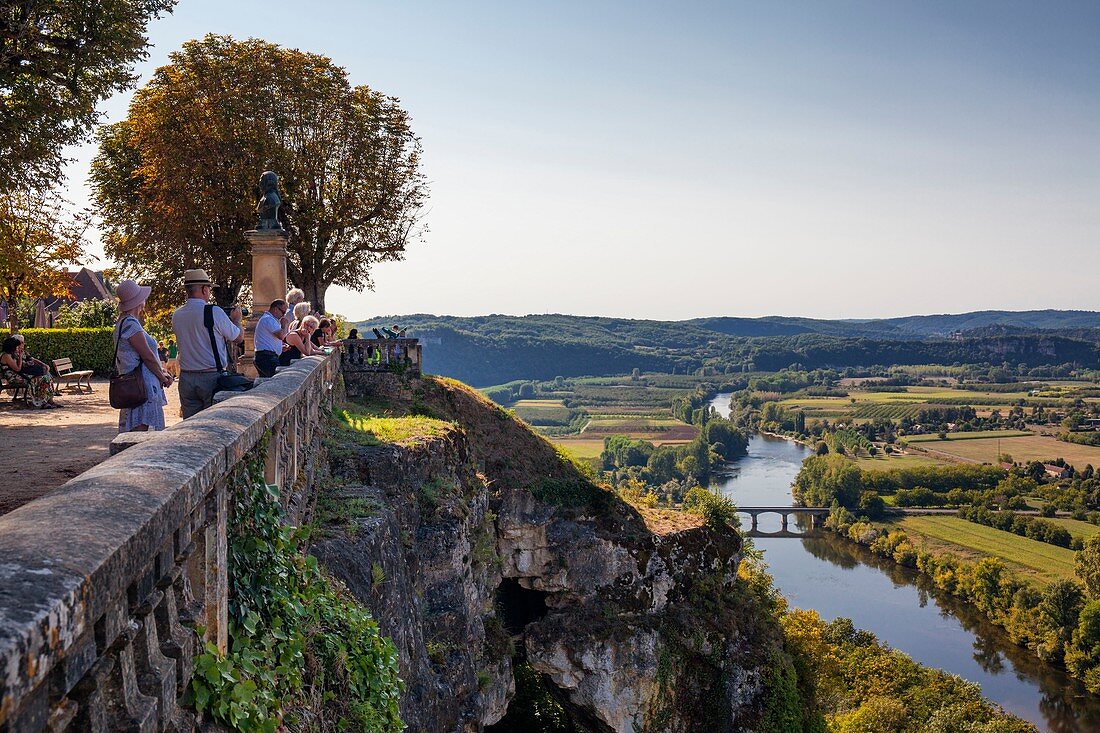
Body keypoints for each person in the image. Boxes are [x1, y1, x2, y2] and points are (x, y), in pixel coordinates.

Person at [171, 269, 243, 418]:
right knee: (211, 422)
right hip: (211, 376)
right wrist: (236, 320)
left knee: (189, 424)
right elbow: (238, 337)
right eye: (209, 288)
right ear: (204, 289)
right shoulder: (213, 311)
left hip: (186, 377)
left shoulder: (177, 314)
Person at [114, 279, 174, 432]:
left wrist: (162, 372)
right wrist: (162, 377)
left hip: (136, 382)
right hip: (142, 385)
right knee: (140, 432)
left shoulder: (123, 323)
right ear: (139, 302)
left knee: (137, 428)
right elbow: (147, 356)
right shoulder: (131, 325)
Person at [0, 336, 56, 408]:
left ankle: (49, 401)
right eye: (16, 347)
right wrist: (20, 357)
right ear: (12, 347)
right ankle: (42, 402)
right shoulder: (6, 356)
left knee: (45, 377)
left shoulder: (10, 354)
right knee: (41, 378)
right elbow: (18, 369)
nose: (18, 348)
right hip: (14, 378)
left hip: (19, 375)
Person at [254, 298, 289, 378]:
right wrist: (283, 325)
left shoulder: (270, 319)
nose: (283, 315)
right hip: (267, 357)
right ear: (276, 309)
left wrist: (280, 347)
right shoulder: (268, 319)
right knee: (275, 381)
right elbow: (281, 336)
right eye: (283, 312)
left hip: (267, 356)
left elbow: (270, 338)